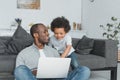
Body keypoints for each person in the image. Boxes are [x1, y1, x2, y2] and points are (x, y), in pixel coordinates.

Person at [14, 23, 90, 80]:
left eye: (47, 31)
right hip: (35, 78)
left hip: (56, 78)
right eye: (44, 32)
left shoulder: (53, 51)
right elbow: (19, 75)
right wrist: (35, 72)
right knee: (19, 69)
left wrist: (62, 70)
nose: (48, 34)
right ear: (36, 35)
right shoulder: (23, 53)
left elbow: (60, 68)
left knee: (84, 70)